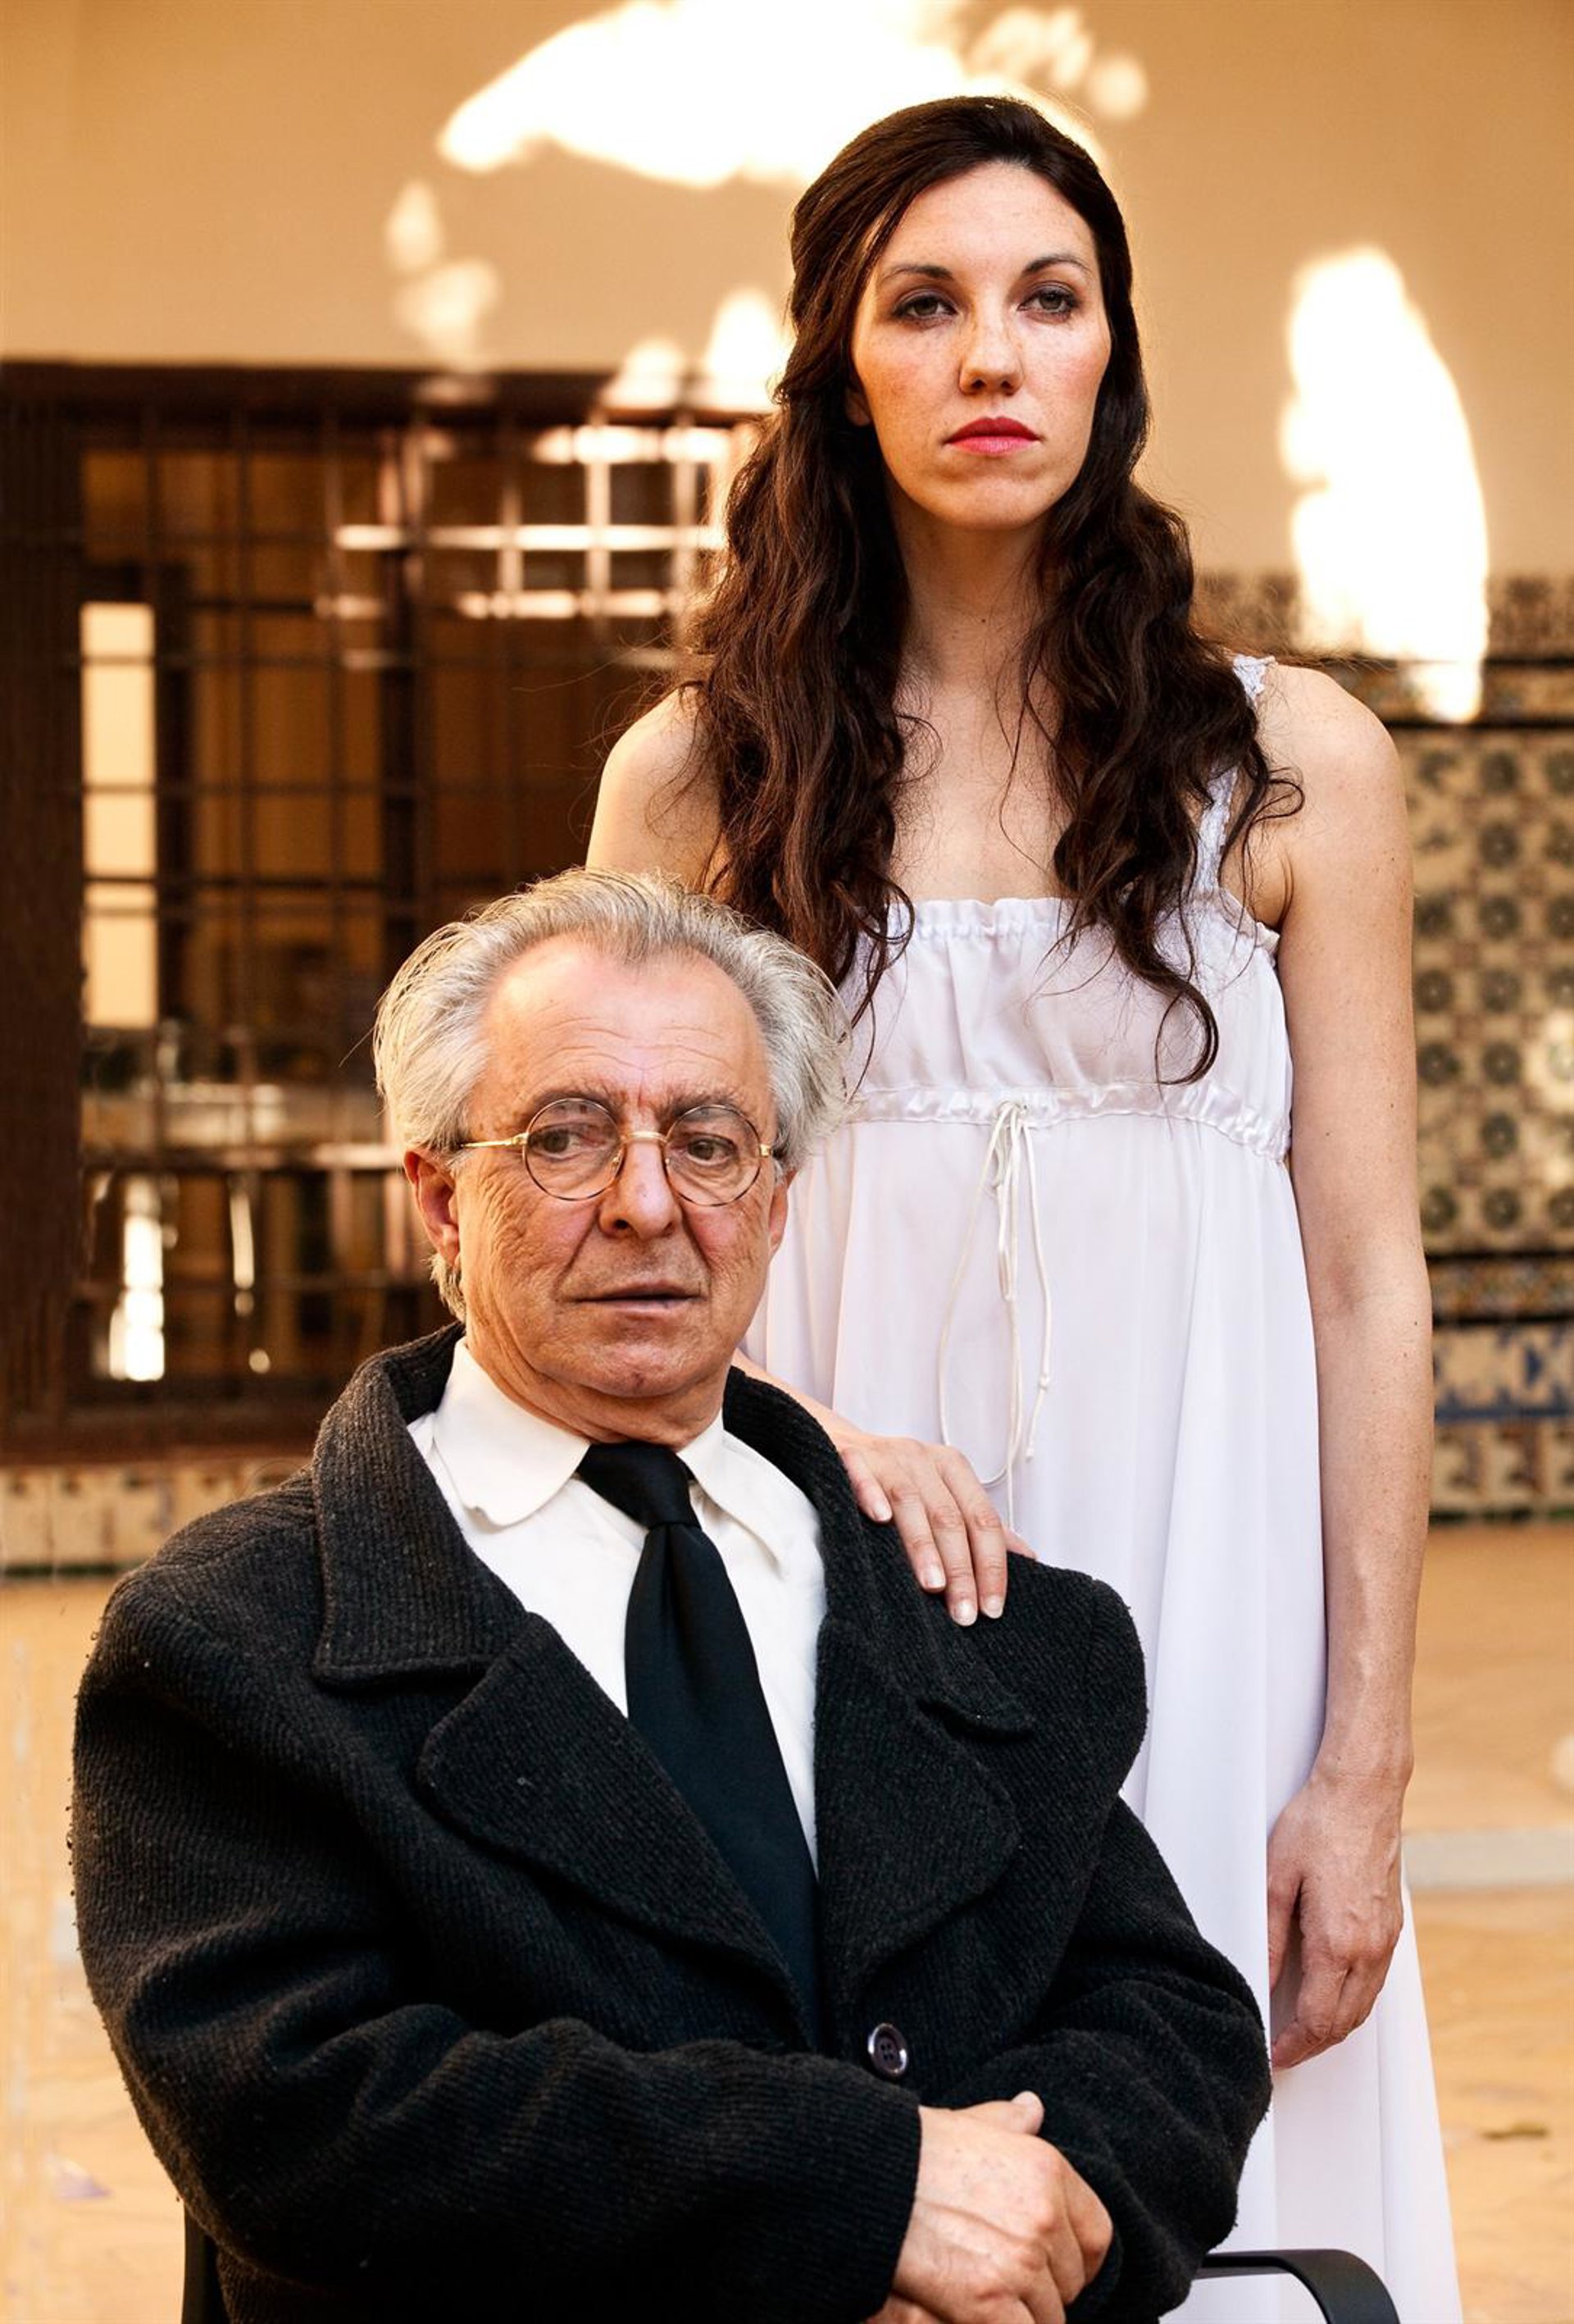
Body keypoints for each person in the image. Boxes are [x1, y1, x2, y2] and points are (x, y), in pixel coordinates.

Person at [587, 97, 1457, 2317]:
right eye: (927, 303)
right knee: (873, 2184)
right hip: (834, 1590)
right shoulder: (696, 781)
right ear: (840, 366)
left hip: (1218, 1606)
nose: (993, 352)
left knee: (1222, 2171)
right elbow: (615, 1239)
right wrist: (784, 1464)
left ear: (1111, 354)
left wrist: (1362, 1767)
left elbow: (1368, 1280)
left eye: (1049, 299)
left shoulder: (1292, 767)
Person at [73, 870, 1269, 2324]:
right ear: (440, 1197)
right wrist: (859, 2204)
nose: (648, 1205)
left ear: (774, 1202)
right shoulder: (235, 1638)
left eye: (707, 1143)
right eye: (566, 1137)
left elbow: (1176, 2027)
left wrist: (1008, 2246)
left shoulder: (963, 1606)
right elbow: (297, 2112)